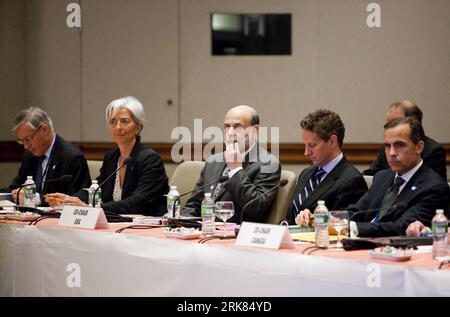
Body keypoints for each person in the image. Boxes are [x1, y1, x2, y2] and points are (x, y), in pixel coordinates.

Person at [46, 96, 169, 216]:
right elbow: (97, 189)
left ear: (138, 127)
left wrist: (90, 208)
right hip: (115, 225)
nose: (118, 127)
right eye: (112, 122)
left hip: (148, 228)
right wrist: (70, 200)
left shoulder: (150, 160)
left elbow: (137, 203)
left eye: (124, 121)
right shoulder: (111, 157)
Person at [347, 117, 450, 237]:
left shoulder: (434, 187)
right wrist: (337, 220)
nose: (392, 153)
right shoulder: (382, 177)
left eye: (399, 145)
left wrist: (352, 227)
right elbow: (358, 210)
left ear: (419, 147)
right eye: (387, 146)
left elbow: (401, 227)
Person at [181, 105, 281, 224]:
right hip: (204, 232)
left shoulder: (268, 163)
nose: (230, 133)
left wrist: (235, 170)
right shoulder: (214, 161)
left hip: (236, 236)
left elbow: (256, 207)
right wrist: (178, 221)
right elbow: (194, 206)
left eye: (237, 127)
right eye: (227, 127)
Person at [286, 109, 367, 226]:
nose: (306, 153)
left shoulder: (352, 180)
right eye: (305, 145)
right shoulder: (306, 173)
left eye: (312, 145)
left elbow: (343, 226)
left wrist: (313, 219)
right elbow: (290, 216)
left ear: (332, 141)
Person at [9, 107, 91, 206]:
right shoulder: (29, 156)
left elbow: (79, 198)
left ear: (44, 129)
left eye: (28, 139)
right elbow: (16, 187)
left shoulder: (72, 157)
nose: (26, 146)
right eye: (21, 141)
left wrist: (39, 200)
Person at [363, 100, 447, 179]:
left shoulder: (434, 150)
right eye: (388, 123)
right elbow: (370, 174)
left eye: (396, 122)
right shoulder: (388, 148)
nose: (392, 152)